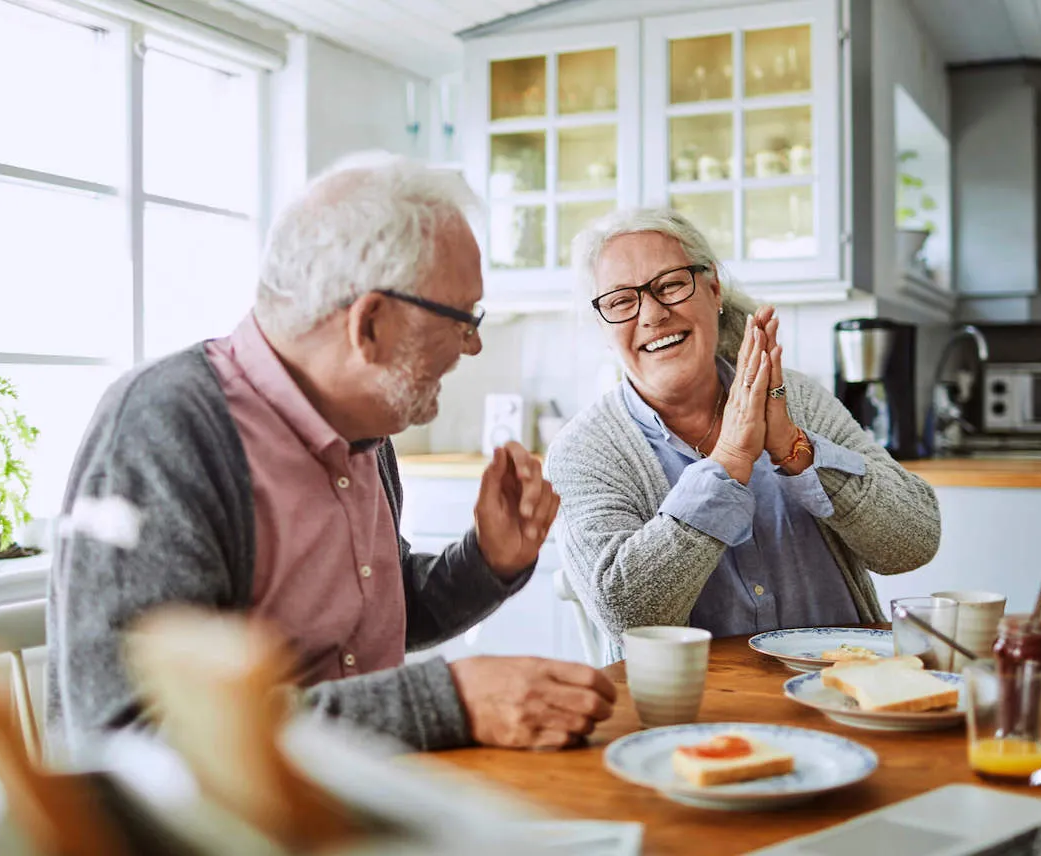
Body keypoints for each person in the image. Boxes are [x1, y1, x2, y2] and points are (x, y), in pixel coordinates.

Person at [46, 152, 615, 755]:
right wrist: (449, 703)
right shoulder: (163, 429)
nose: (472, 346)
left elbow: (373, 620)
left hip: (362, 808)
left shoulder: (364, 429)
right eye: (462, 319)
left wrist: (486, 562)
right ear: (369, 325)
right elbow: (130, 735)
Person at [546, 208, 940, 659]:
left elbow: (914, 543)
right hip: (695, 718)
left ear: (712, 287)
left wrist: (798, 451)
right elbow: (628, 615)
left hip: (845, 688)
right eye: (620, 301)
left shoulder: (797, 398)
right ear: (603, 325)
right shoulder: (584, 451)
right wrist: (729, 461)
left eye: (671, 284)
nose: (652, 314)